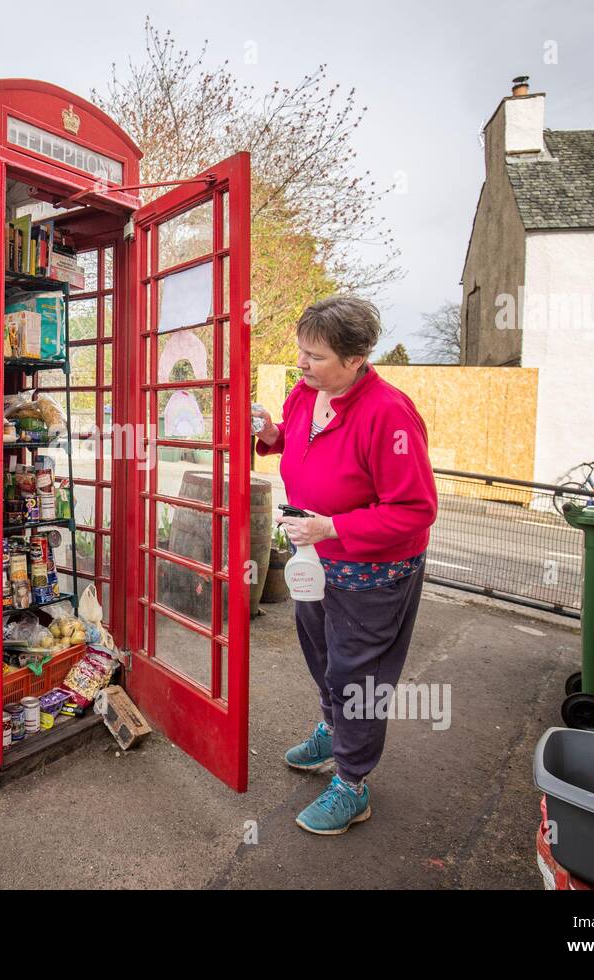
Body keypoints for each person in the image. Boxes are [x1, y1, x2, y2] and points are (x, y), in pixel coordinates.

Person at [253, 296, 437, 836]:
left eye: (315, 356)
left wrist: (332, 526)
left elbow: (415, 509)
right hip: (315, 559)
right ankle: (332, 729)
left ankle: (353, 782)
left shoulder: (390, 413)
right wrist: (270, 435)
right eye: (301, 353)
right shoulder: (309, 393)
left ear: (356, 359)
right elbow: (297, 439)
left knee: (358, 675)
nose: (302, 365)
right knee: (321, 653)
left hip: (372, 570)